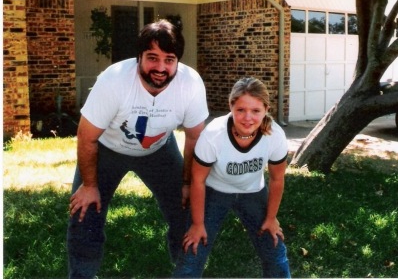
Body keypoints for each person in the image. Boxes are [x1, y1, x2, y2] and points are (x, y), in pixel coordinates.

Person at [67, 19, 209, 278]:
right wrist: (89, 185)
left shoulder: (191, 83)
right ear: (139, 57)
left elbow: (194, 139)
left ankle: (185, 272)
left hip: (159, 150)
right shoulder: (114, 80)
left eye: (169, 59)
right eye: (152, 58)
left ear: (178, 61)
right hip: (106, 149)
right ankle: (82, 274)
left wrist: (187, 183)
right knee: (84, 213)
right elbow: (86, 136)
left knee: (188, 209)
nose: (161, 68)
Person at [173, 77, 291, 278]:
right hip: (214, 192)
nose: (248, 118)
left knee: (275, 249)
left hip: (253, 192)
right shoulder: (213, 134)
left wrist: (271, 218)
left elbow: (277, 179)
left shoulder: (275, 135)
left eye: (255, 111)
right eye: (241, 110)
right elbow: (198, 180)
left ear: (266, 109)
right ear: (231, 107)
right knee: (193, 250)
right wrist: (198, 223)